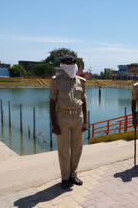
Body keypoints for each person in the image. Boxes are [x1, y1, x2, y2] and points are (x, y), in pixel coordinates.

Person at [49, 55, 88, 189]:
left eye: (72, 63)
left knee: (77, 148)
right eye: (67, 63)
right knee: (64, 149)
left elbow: (84, 101)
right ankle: (65, 177)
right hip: (62, 117)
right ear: (62, 65)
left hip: (78, 117)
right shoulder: (56, 81)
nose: (70, 65)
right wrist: (54, 124)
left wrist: (85, 122)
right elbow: (52, 103)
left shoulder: (81, 81)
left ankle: (73, 175)